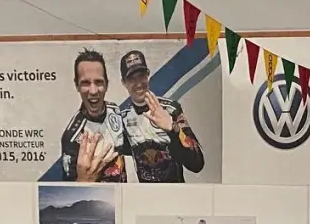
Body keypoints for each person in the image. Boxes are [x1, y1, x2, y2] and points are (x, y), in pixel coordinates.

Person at [115, 50, 205, 183]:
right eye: (132, 78)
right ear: (124, 83)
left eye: (141, 76)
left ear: (148, 75)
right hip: (146, 199)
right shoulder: (122, 119)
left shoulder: (171, 109)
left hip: (176, 197)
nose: (138, 83)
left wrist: (173, 130)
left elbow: (197, 164)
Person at [59, 49, 129, 183]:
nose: (93, 91)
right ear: (77, 86)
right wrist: (84, 179)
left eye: (98, 82)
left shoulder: (115, 111)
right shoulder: (71, 137)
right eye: (85, 83)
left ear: (107, 84)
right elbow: (69, 191)